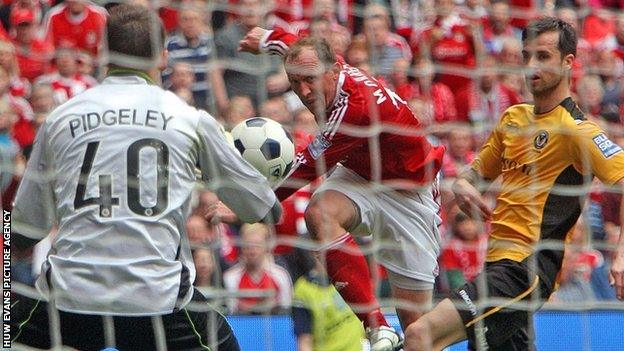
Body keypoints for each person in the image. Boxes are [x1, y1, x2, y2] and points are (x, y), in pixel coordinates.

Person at [10, 4, 281, 350]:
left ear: (102, 53)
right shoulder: (189, 119)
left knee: (9, 331)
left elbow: (22, 231)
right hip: (156, 300)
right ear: (164, 58)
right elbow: (264, 210)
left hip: (72, 298)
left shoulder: (59, 119)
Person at [208, 25, 446, 351]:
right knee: (318, 213)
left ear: (334, 69)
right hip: (362, 175)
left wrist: (247, 206)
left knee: (418, 333)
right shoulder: (321, 64)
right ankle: (377, 327)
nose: (304, 91)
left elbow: (304, 168)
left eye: (310, 81)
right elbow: (296, 46)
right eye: (294, 83)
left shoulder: (355, 109)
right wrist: (267, 39)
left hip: (411, 195)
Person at [404, 17, 624, 351]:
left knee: (421, 334)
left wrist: (620, 256)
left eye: (543, 56)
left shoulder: (578, 130)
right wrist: (464, 185)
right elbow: (474, 175)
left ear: (569, 63)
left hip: (527, 269)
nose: (531, 65)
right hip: (495, 263)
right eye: (526, 56)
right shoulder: (513, 119)